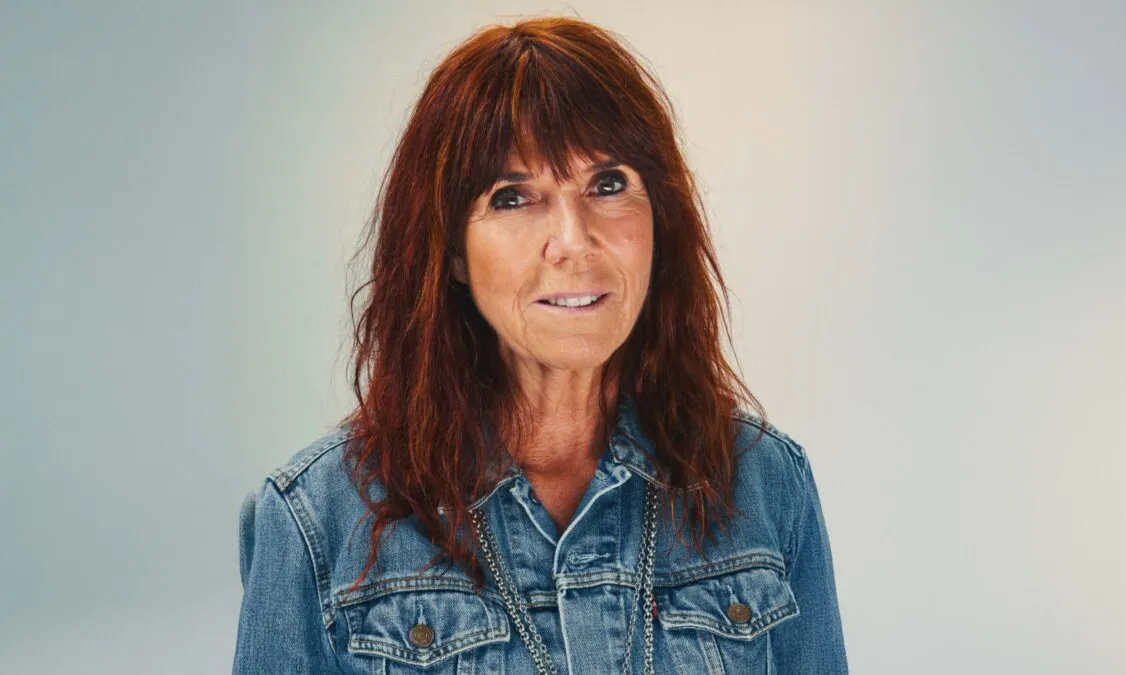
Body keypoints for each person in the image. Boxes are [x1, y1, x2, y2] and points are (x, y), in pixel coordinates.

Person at [233, 15, 848, 674]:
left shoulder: (765, 480)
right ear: (452, 250)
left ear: (660, 220)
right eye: (513, 198)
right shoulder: (316, 517)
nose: (574, 242)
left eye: (608, 184)